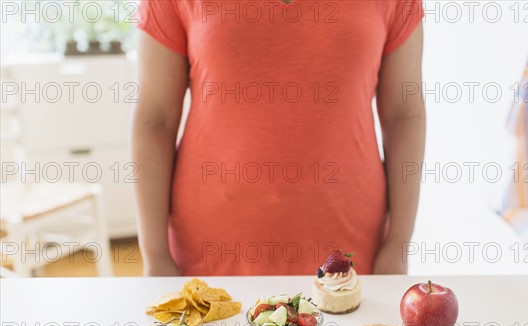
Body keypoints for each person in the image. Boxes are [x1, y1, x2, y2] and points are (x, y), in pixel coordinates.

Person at [133, 0, 425, 276]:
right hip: (210, 254)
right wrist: (155, 256)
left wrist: (399, 243)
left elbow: (404, 116)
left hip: (351, 252)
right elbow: (155, 119)